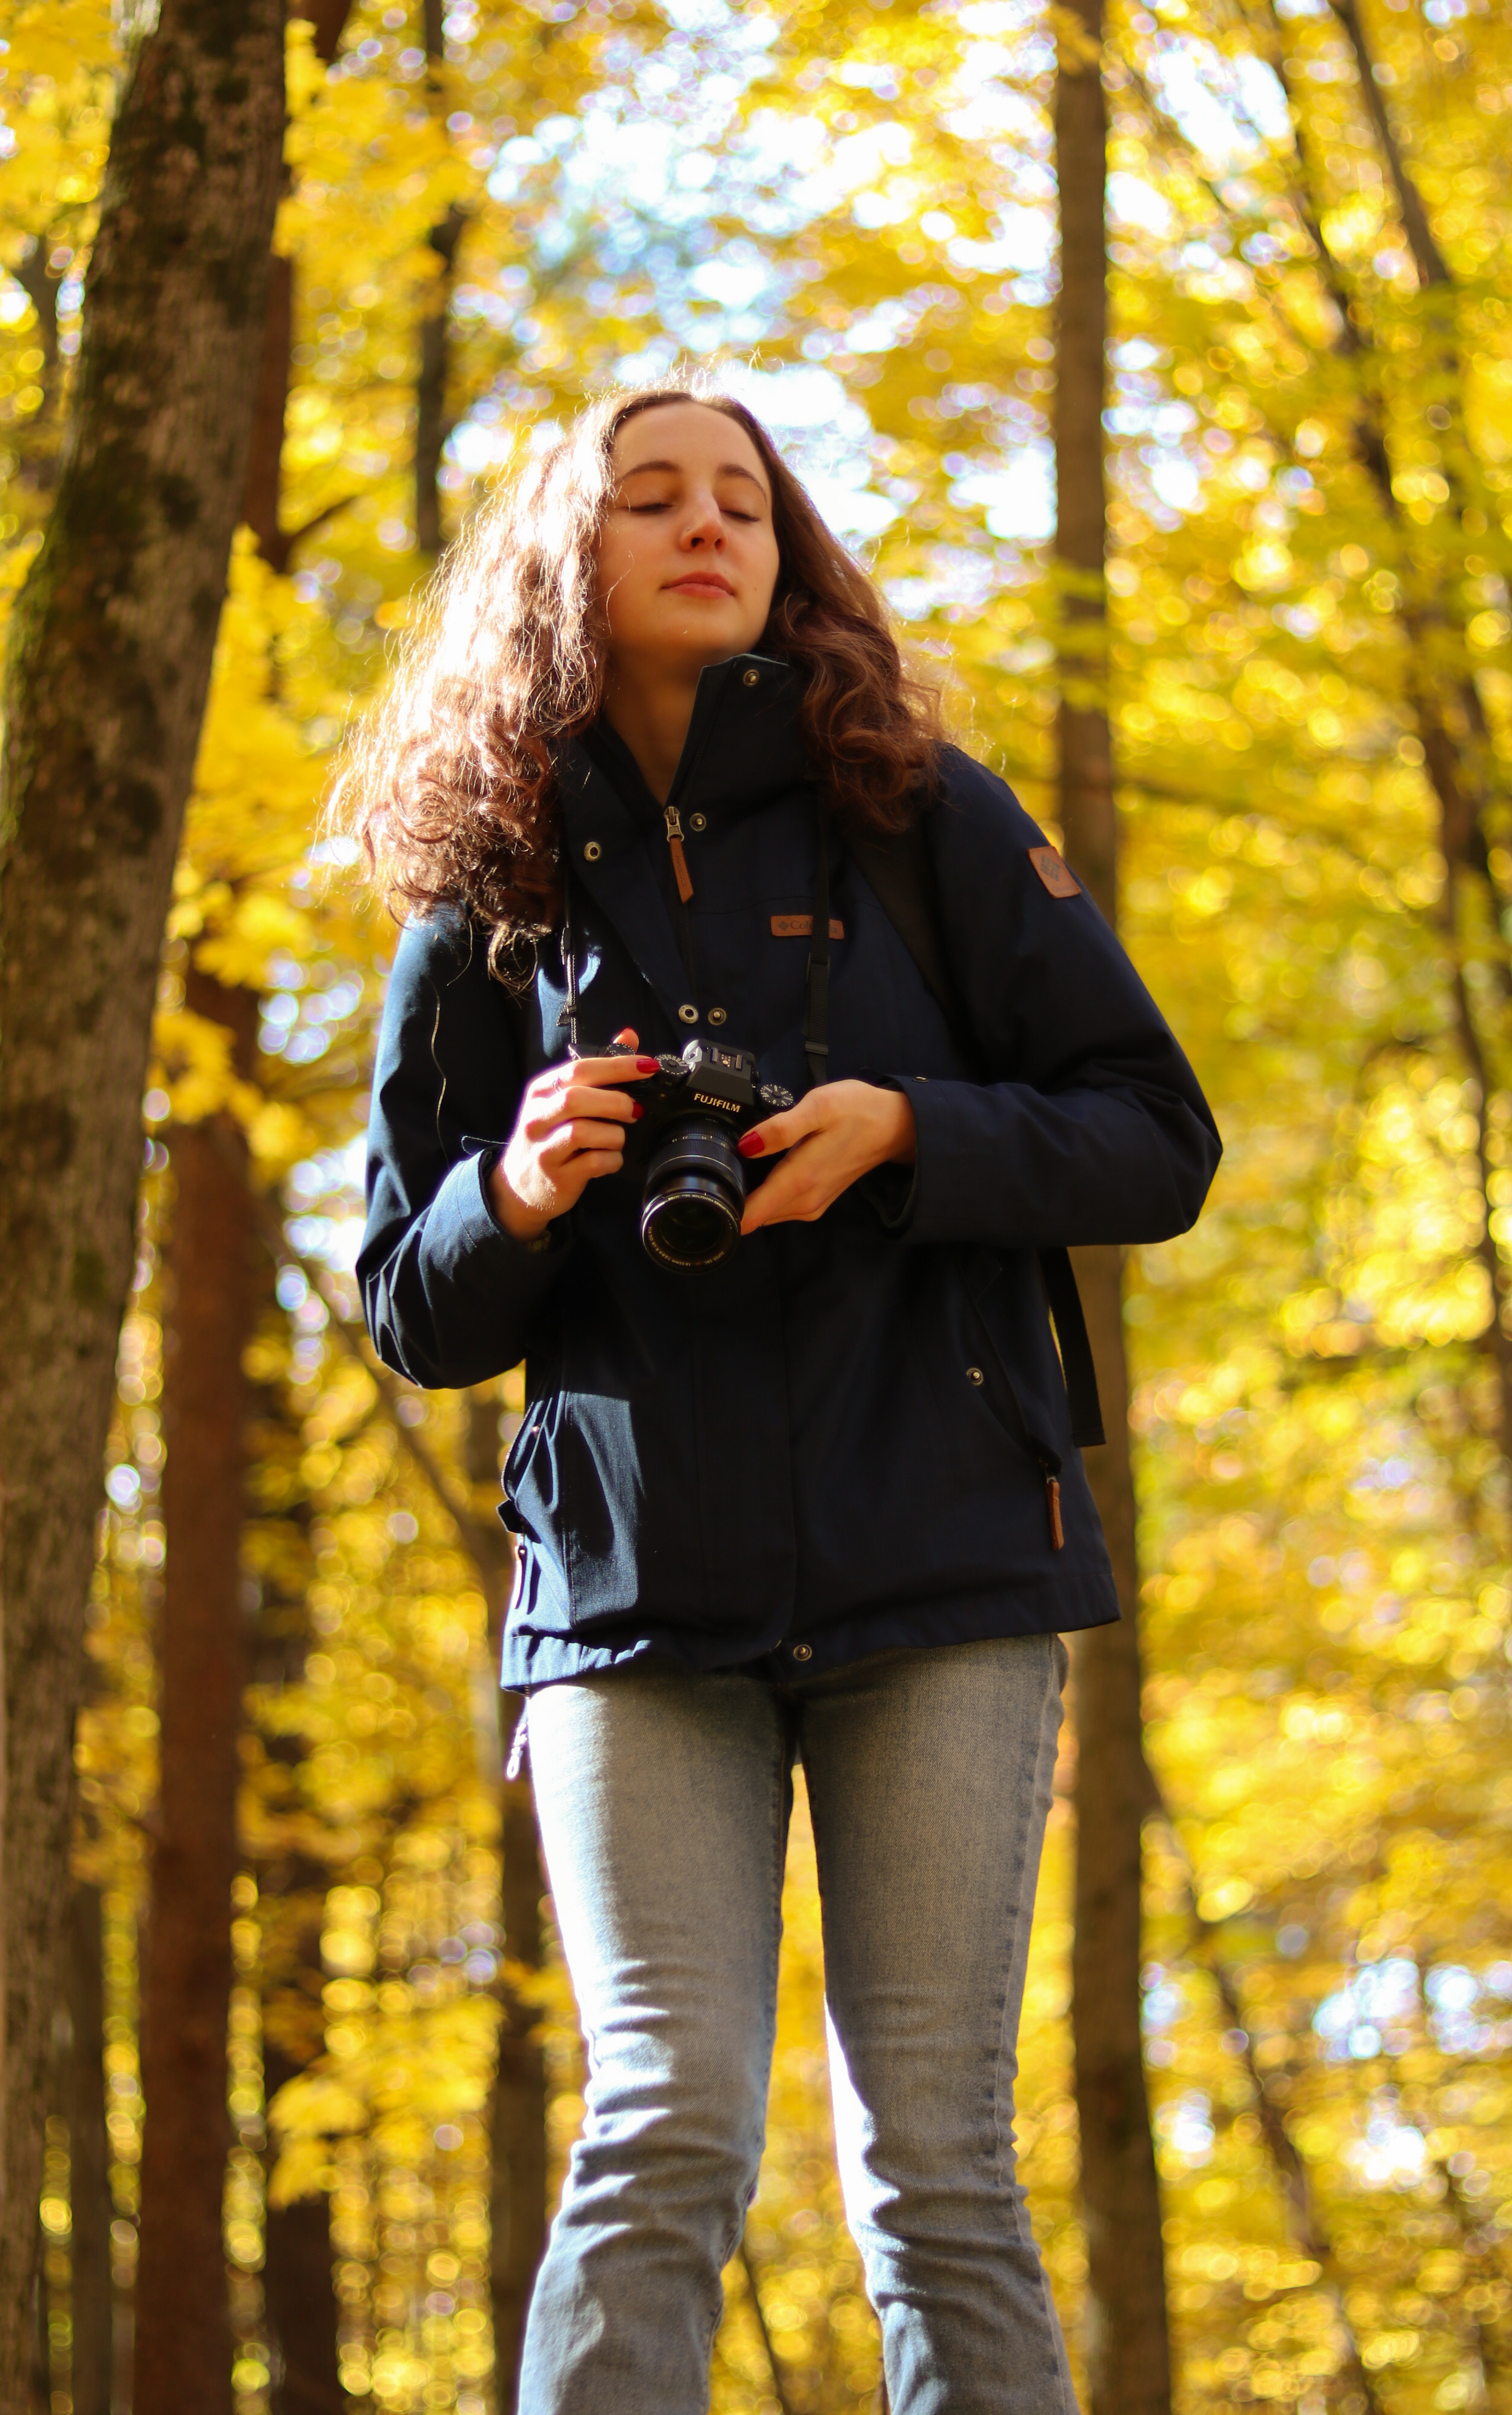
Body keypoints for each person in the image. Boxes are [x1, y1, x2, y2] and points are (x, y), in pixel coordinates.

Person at [347, 377, 1220, 2415]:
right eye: (649, 496)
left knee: (938, 2170)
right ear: (572, 558)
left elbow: (1155, 1138)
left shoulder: (921, 815)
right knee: (663, 2131)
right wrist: (517, 1189)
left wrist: (908, 1132)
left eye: (741, 494)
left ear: (787, 542)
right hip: (633, 1606)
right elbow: (412, 1301)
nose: (705, 524)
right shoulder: (486, 888)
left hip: (947, 1571)